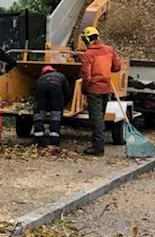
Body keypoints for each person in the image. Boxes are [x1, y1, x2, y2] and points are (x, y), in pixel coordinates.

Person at [79, 26, 121, 156]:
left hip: (94, 90)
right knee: (100, 117)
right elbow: (117, 67)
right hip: (106, 89)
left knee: (96, 119)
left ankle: (98, 147)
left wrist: (84, 89)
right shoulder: (109, 50)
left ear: (86, 39)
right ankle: (98, 144)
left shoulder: (88, 55)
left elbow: (87, 76)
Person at [32, 64, 70, 147]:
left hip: (42, 90)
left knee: (39, 114)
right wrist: (65, 104)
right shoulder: (61, 76)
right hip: (56, 91)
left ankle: (38, 140)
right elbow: (67, 92)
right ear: (54, 70)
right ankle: (54, 141)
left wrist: (39, 105)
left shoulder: (41, 78)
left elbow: (36, 94)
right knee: (55, 115)